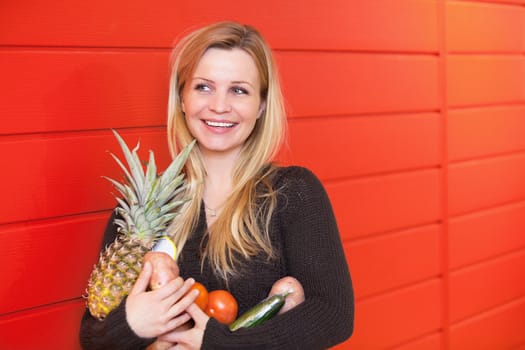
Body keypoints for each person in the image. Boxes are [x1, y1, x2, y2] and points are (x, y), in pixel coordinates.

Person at [80, 21, 354, 349]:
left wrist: (216, 343)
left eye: (238, 90)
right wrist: (131, 324)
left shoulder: (292, 193)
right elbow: (91, 338)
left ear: (261, 105)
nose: (219, 106)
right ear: (182, 97)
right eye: (203, 87)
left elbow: (333, 314)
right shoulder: (148, 208)